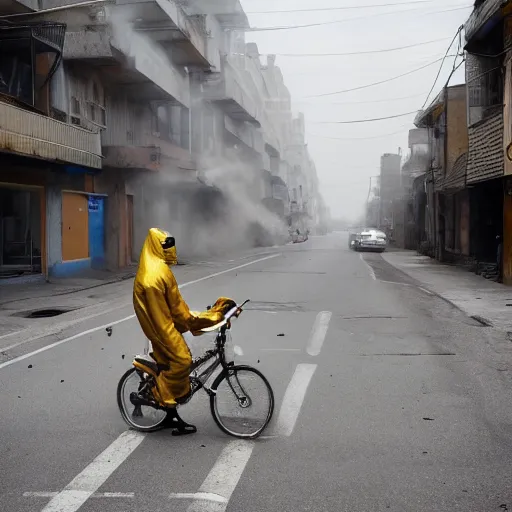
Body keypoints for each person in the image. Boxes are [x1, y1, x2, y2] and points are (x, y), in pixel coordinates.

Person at [133, 228, 236, 434]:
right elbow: (181, 316)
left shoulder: (158, 270)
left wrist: (206, 319)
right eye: (166, 247)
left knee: (173, 362)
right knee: (182, 361)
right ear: (157, 248)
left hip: (162, 323)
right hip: (159, 328)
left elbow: (178, 310)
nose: (171, 250)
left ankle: (170, 412)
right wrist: (213, 317)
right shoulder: (155, 275)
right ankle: (162, 398)